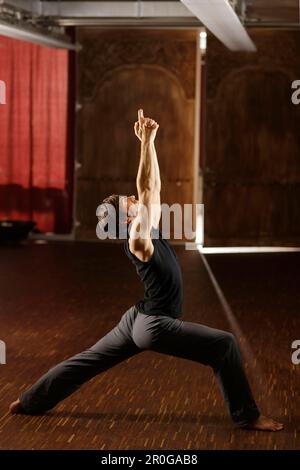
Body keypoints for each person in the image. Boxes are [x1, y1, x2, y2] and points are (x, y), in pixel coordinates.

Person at [10, 109, 283, 431]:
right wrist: (147, 141)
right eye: (129, 201)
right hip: (155, 326)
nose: (135, 198)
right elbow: (149, 190)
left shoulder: (146, 228)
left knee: (87, 361)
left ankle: (29, 402)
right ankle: (248, 416)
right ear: (127, 220)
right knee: (224, 345)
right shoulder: (139, 240)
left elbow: (154, 186)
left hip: (136, 318)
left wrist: (148, 143)